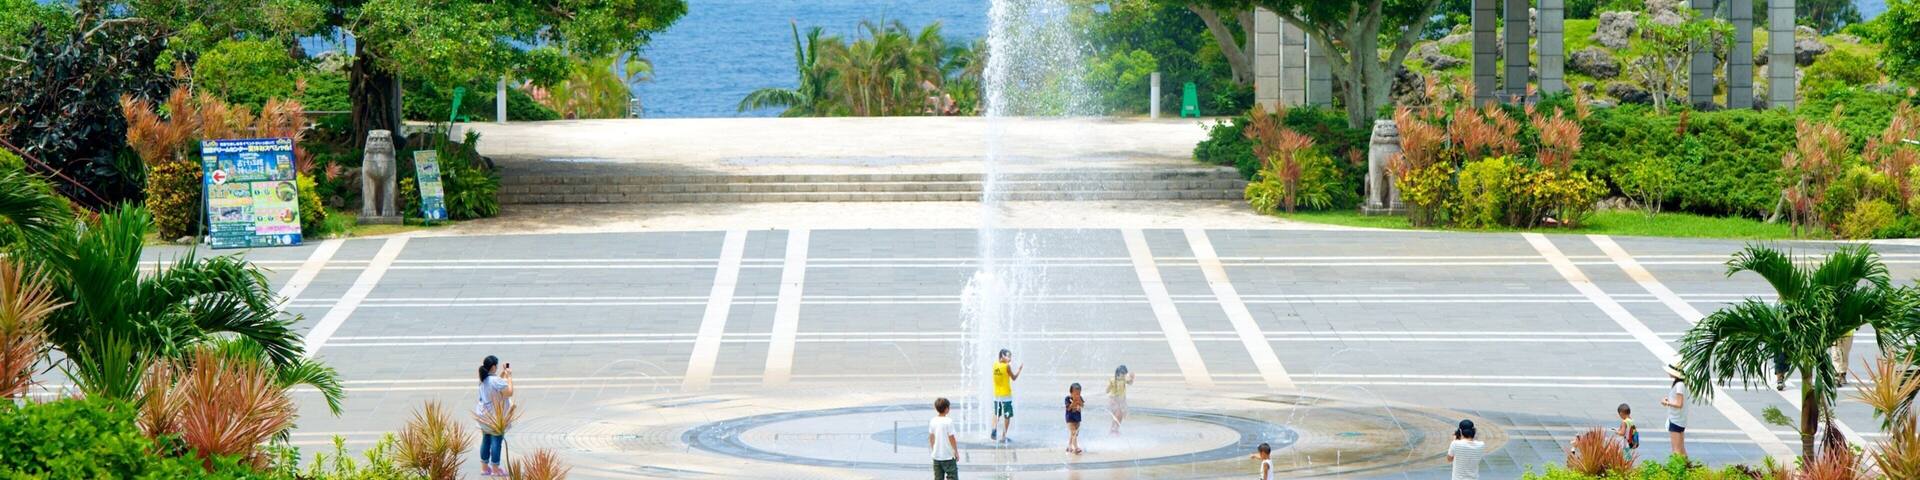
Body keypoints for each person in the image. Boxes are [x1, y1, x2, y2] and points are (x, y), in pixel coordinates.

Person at [475, 356, 514, 477]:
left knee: (486, 440)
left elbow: (495, 384)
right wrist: (509, 377)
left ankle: (484, 468)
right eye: (496, 366)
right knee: (496, 441)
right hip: (495, 418)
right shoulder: (495, 381)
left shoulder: (483, 379)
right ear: (493, 367)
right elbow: (509, 392)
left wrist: (502, 374)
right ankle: (496, 469)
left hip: (483, 417)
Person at [990, 349, 1022, 443]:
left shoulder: (995, 365)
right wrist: (1019, 370)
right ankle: (1003, 436)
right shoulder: (1007, 366)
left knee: (996, 414)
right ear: (1002, 356)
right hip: (1006, 396)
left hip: (997, 395)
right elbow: (1014, 378)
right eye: (1008, 356)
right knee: (1007, 416)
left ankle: (994, 429)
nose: (1010, 358)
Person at [1661, 364, 1688, 459]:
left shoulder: (1679, 385)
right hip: (1680, 419)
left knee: (1676, 449)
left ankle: (1677, 470)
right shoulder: (1680, 384)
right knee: (1681, 448)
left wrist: (1667, 402)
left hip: (1676, 419)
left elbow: (1679, 404)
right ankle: (1688, 468)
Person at [929, 397, 959, 480]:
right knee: (952, 477)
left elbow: (931, 437)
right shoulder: (948, 421)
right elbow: (951, 438)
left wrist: (934, 449)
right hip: (948, 456)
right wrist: (955, 451)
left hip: (936, 456)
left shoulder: (933, 420)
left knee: (938, 478)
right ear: (946, 409)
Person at [1107, 365, 1135, 435]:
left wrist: (1132, 378)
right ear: (1118, 373)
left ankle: (1116, 429)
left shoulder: (1123, 379)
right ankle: (1112, 429)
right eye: (1123, 374)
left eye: (1125, 374)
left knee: (1121, 414)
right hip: (1114, 399)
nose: (1124, 376)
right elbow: (1108, 390)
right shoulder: (1113, 380)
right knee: (1117, 413)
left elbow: (1130, 383)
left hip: (1121, 399)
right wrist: (1109, 389)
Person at [1064, 383, 1085, 454]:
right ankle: (1076, 448)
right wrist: (1074, 402)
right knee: (1073, 432)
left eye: (1079, 393)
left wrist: (1080, 402)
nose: (1077, 395)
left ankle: (1069, 446)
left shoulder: (1080, 398)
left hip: (1077, 418)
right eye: (1076, 394)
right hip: (1070, 418)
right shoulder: (1067, 398)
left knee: (1074, 434)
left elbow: (1082, 405)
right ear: (1071, 392)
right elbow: (1068, 408)